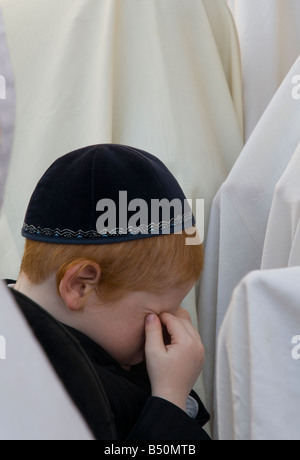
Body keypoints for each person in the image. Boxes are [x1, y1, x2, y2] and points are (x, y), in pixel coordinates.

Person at [7, 143, 210, 440]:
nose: (176, 322)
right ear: (82, 286)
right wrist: (169, 401)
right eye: (157, 313)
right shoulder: (36, 385)